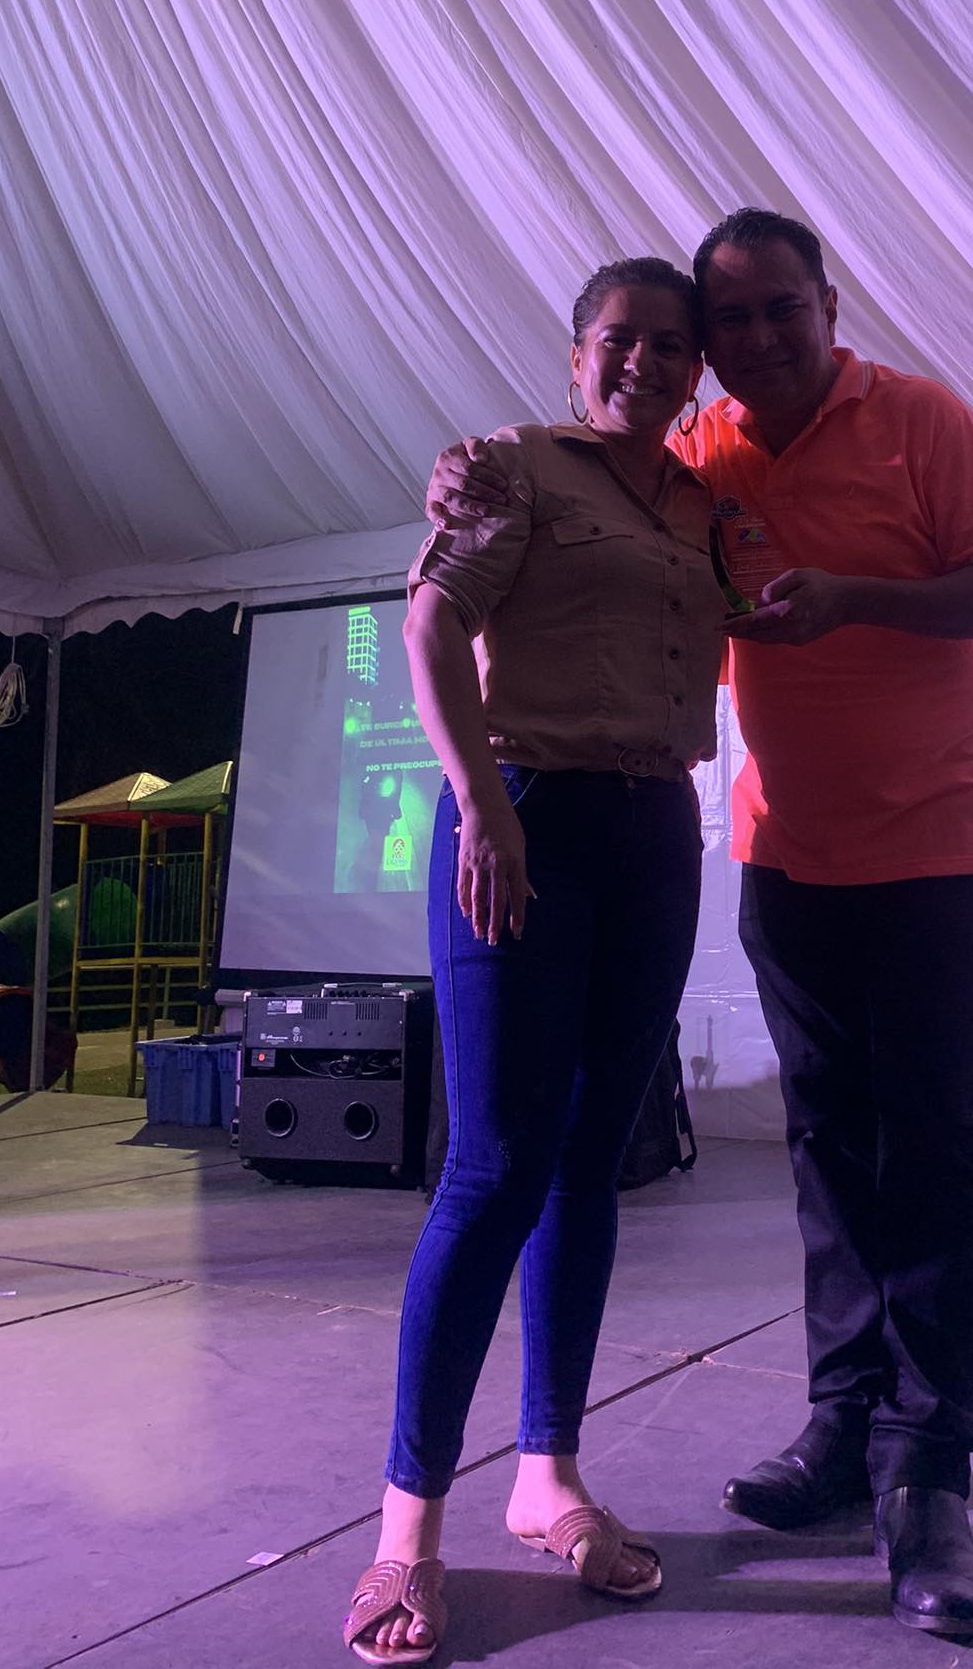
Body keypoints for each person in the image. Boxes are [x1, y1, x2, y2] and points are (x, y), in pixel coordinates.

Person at [425, 209, 973, 1642]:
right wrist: (474, 468)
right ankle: (843, 1424)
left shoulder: (921, 420)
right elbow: (586, 476)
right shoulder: (700, 455)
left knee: (933, 1151)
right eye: (733, 322)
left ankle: (928, 1471)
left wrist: (854, 603)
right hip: (786, 854)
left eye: (783, 310)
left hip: (940, 848)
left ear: (831, 306)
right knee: (827, 1143)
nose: (758, 338)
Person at [345, 258, 726, 1665]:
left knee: (589, 1158)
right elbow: (432, 623)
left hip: (656, 826)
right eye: (620, 340)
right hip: (524, 812)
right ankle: (407, 1532)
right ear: (578, 357)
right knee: (496, 1163)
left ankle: (547, 1477)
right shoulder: (514, 465)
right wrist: (485, 808)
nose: (645, 363)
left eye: (672, 345)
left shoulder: (703, 505)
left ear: (697, 369)